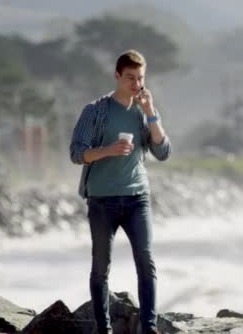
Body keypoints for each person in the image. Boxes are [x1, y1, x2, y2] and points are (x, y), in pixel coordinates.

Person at [69, 49, 171, 334]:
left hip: (137, 197)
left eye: (140, 78)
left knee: (146, 260)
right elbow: (77, 153)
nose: (136, 84)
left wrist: (151, 113)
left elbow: (163, 151)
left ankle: (148, 327)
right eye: (130, 78)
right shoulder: (95, 111)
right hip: (102, 200)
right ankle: (104, 330)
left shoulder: (144, 111)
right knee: (101, 267)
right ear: (116, 76)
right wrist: (108, 150)